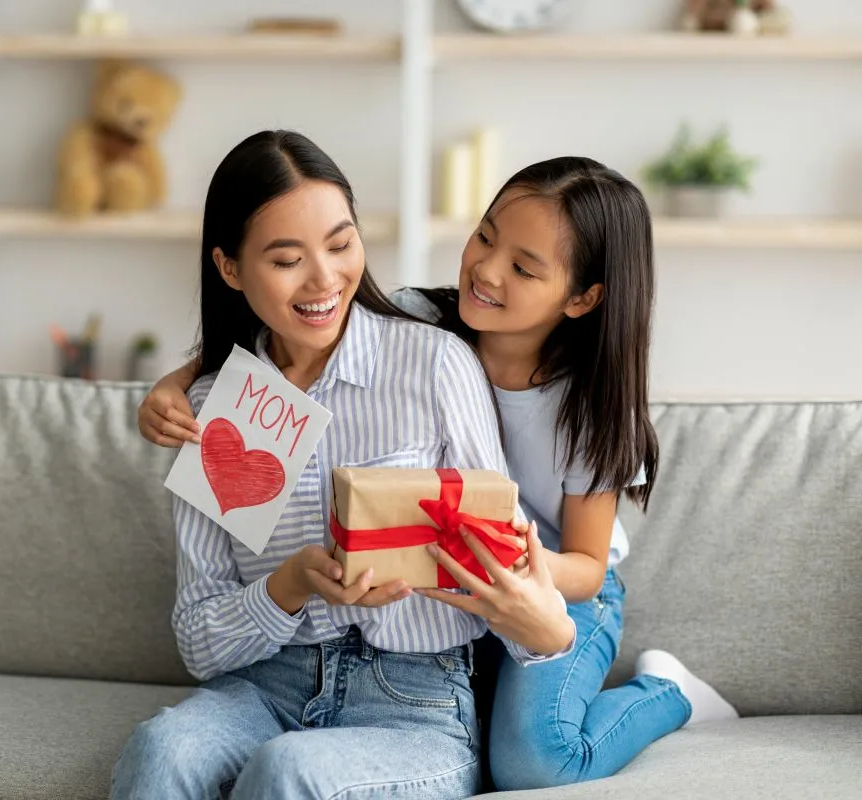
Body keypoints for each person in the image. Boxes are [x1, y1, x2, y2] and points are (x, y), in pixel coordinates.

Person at [137, 154, 738, 792]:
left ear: (583, 297)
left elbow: (585, 569)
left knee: (534, 757)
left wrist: (496, 568)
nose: (487, 270)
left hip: (552, 577)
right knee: (164, 750)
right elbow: (289, 323)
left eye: (523, 268)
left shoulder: (573, 401)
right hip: (435, 595)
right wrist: (181, 383)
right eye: (484, 237)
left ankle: (666, 692)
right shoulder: (417, 314)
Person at [111, 130, 576, 800]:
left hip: (412, 702)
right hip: (261, 687)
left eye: (340, 244)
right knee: (162, 750)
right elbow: (200, 642)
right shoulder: (212, 410)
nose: (325, 280)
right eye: (286, 259)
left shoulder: (434, 364)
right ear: (230, 268)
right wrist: (290, 584)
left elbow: (502, 565)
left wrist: (543, 628)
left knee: (288, 771)